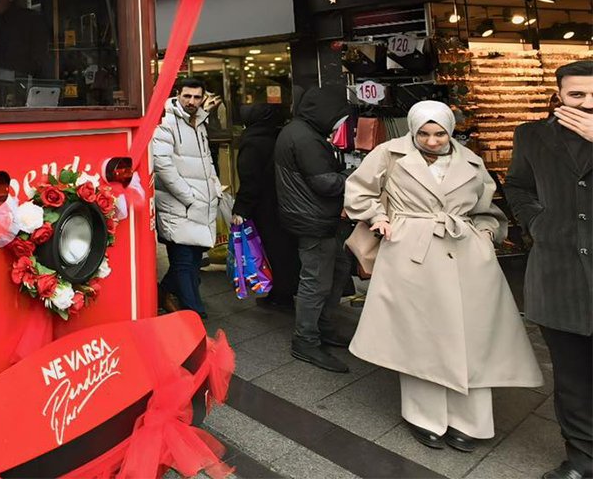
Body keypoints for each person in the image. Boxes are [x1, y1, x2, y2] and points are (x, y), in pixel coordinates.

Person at [345, 100, 541, 451]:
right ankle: (424, 416)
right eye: (424, 133)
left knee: (475, 337)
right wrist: (379, 217)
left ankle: (473, 421)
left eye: (439, 133)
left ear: (451, 130)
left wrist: (484, 234)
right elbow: (358, 190)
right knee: (419, 336)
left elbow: (488, 209)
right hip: (410, 253)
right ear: (412, 129)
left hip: (467, 255)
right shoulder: (389, 153)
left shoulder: (471, 160)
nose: (432, 141)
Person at [504, 60, 593, 479]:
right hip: (558, 274)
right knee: (572, 379)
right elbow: (517, 185)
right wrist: (536, 223)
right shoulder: (531, 135)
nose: (587, 104)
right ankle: (582, 460)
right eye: (577, 95)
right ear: (559, 95)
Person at [274, 86, 353, 373]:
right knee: (316, 282)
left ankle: (323, 328)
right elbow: (326, 182)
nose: (339, 124)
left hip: (311, 216)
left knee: (335, 271)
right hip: (314, 219)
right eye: (338, 117)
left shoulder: (298, 131)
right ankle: (305, 340)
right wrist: (353, 174)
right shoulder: (306, 138)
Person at [152, 77, 222, 318]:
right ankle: (195, 312)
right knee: (183, 261)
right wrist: (189, 196)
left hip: (200, 202)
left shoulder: (200, 122)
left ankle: (161, 293)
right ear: (177, 95)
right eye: (187, 96)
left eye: (196, 97)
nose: (191, 101)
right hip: (178, 204)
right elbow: (162, 164)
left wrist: (214, 187)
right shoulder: (165, 122)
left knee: (193, 261)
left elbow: (207, 160)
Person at [232, 103, 300, 307]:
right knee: (283, 248)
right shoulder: (278, 135)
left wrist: (241, 207)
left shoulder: (252, 141)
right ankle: (285, 290)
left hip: (263, 205)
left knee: (270, 249)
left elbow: (250, 178)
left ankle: (279, 293)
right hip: (283, 200)